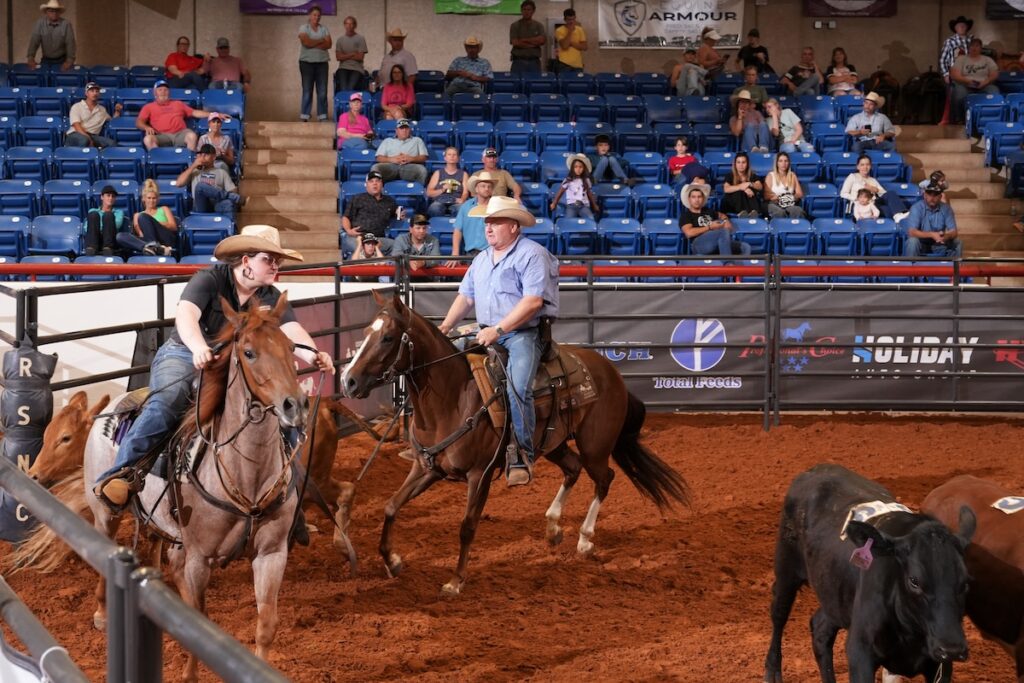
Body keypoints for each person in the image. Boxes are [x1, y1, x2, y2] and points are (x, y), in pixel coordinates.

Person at [93, 225, 335, 508]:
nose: (275, 266)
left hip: (230, 363)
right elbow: (186, 315)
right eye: (268, 259)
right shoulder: (209, 279)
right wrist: (198, 347)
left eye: (277, 260)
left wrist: (312, 354)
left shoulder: (268, 295)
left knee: (278, 411)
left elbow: (291, 328)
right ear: (246, 262)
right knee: (169, 400)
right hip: (183, 353)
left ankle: (286, 490)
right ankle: (122, 473)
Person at [438, 196, 559, 487]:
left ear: (514, 227)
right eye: (487, 222)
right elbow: (466, 297)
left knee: (518, 388)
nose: (488, 228)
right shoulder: (481, 258)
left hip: (522, 334)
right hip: (484, 330)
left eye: (495, 222)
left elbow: (532, 303)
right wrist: (445, 326)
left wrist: (499, 329)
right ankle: (436, 438)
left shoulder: (533, 255)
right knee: (440, 364)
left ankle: (522, 453)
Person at [136, 80, 219, 151]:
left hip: (180, 133)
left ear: (169, 92)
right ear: (155, 93)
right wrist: (146, 127)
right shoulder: (148, 107)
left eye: (166, 90)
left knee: (192, 136)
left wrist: (214, 114)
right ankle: (160, 161)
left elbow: (194, 112)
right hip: (161, 135)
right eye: (160, 90)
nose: (163, 92)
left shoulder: (178, 104)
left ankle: (190, 163)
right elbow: (139, 122)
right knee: (147, 139)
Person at [680, 183, 751, 257]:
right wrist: (709, 227)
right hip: (699, 244)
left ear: (703, 199)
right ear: (689, 199)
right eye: (693, 197)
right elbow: (689, 233)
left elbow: (721, 215)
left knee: (745, 247)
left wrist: (726, 220)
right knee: (723, 231)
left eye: (699, 197)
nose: (697, 200)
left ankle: (740, 267)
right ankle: (728, 264)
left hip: (716, 241)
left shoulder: (708, 211)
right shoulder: (686, 215)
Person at [177, 144, 244, 218]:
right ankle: (232, 197)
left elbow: (233, 191)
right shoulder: (195, 171)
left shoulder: (221, 172)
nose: (203, 157)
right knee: (200, 186)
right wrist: (193, 166)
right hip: (201, 204)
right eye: (201, 154)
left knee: (228, 203)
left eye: (206, 155)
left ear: (214, 157)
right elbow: (178, 183)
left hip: (217, 203)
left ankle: (231, 228)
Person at [341, 170, 397, 256]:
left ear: (382, 184)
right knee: (360, 248)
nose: (375, 184)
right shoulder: (357, 198)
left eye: (377, 181)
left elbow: (396, 215)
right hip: (358, 237)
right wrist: (349, 231)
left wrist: (400, 215)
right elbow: (346, 217)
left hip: (377, 239)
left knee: (397, 246)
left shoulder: (390, 201)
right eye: (371, 181)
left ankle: (386, 268)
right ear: (366, 185)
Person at [116, 179, 178, 256]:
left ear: (157, 199)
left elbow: (173, 227)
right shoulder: (137, 215)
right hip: (147, 241)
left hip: (165, 239)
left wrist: (153, 223)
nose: (151, 201)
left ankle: (153, 247)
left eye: (154, 198)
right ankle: (155, 249)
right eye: (149, 198)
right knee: (120, 236)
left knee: (143, 217)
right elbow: (141, 235)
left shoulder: (164, 209)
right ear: (143, 199)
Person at [839, 154, 909, 220]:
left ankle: (898, 215)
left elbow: (884, 194)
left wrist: (876, 190)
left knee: (891, 193)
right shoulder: (852, 176)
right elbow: (843, 193)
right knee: (887, 211)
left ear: (871, 166)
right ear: (858, 167)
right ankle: (898, 218)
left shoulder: (872, 180)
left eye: (867, 165)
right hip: (859, 204)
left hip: (873, 203)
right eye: (862, 165)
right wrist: (858, 198)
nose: (865, 167)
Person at [902, 182, 962, 258]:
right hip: (921, 243)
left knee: (957, 242)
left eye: (935, 195)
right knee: (912, 242)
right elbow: (912, 232)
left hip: (939, 243)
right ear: (925, 195)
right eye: (930, 194)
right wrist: (932, 235)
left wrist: (946, 236)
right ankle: (911, 268)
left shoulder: (946, 209)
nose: (932, 198)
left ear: (940, 196)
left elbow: (954, 232)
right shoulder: (916, 208)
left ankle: (954, 268)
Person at [950, 38, 1000, 125]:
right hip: (965, 85)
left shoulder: (987, 60)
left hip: (984, 85)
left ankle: (991, 119)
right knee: (959, 93)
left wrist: (985, 82)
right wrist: (968, 81)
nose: (974, 48)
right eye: (972, 45)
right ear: (968, 47)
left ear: (981, 48)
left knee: (994, 91)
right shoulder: (961, 59)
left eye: (977, 46)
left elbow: (995, 74)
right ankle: (960, 119)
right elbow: (955, 75)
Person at [452, 171, 495, 262]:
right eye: (483, 186)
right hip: (470, 254)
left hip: (492, 253)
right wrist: (455, 253)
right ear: (476, 189)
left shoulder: (497, 207)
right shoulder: (466, 206)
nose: (486, 189)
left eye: (489, 186)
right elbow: (458, 230)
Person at [298, 5, 331, 122]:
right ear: (309, 15)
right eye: (314, 15)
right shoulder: (304, 28)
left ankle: (322, 116)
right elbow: (306, 43)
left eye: (318, 15)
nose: (316, 17)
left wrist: (313, 42)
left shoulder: (324, 29)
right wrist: (321, 40)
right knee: (307, 90)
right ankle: (305, 116)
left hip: (322, 63)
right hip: (306, 63)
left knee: (322, 91)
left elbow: (329, 44)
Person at [371, 119, 429, 185]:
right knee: (375, 168)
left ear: (410, 130)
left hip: (410, 166)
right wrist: (391, 159)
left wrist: (411, 159)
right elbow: (379, 157)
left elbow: (424, 157)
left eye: (406, 128)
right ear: (396, 130)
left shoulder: (417, 140)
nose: (404, 130)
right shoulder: (387, 141)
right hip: (391, 166)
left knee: (422, 170)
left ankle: (419, 192)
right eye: (401, 128)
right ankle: (378, 193)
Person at [65, 82, 121, 148]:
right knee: (84, 140)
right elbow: (77, 126)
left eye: (97, 91)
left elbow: (112, 120)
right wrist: (89, 139)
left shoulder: (102, 109)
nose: (95, 93)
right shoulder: (77, 106)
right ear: (86, 93)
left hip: (93, 136)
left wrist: (117, 111)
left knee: (112, 143)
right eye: (92, 91)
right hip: (76, 134)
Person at [26, 0, 75, 71]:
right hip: (46, 60)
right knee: (44, 79)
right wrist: (30, 58)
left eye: (56, 11)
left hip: (62, 60)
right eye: (51, 11)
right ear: (46, 12)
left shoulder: (66, 24)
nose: (54, 13)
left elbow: (70, 43)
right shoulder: (40, 24)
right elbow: (34, 41)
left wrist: (69, 61)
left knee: (61, 80)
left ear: (59, 12)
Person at [551, 154, 598, 219]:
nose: (578, 169)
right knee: (569, 221)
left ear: (584, 168)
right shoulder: (568, 180)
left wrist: (594, 205)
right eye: (575, 167)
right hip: (571, 206)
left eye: (580, 167)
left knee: (591, 219)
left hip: (583, 206)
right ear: (572, 168)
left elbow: (589, 193)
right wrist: (554, 203)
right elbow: (561, 191)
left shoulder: (586, 180)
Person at [426, 147, 469, 217]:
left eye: (454, 155)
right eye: (449, 154)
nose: (452, 156)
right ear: (445, 158)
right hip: (439, 201)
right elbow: (429, 193)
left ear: (458, 158)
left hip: (456, 201)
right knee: (434, 208)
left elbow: (465, 192)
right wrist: (442, 189)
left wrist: (462, 199)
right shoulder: (438, 173)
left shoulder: (464, 174)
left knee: (461, 209)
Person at [83, 185, 125, 256]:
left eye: (113, 196)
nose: (110, 198)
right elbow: (86, 227)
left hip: (110, 240)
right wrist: (102, 227)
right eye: (108, 195)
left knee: (108, 215)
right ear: (102, 197)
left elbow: (117, 225)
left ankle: (108, 249)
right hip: (95, 239)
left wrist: (98, 226)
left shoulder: (119, 212)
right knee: (93, 214)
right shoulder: (93, 211)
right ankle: (91, 249)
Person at [763, 152, 806, 219]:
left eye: (786, 161)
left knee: (798, 211)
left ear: (789, 163)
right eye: (781, 161)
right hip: (774, 203)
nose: (783, 164)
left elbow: (799, 194)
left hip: (789, 203)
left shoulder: (792, 175)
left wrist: (791, 197)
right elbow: (766, 195)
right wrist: (776, 197)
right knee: (780, 212)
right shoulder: (771, 175)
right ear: (777, 163)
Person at [509, 0, 546, 75]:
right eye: (524, 9)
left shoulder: (539, 25)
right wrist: (534, 43)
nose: (526, 12)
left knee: (534, 84)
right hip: (518, 61)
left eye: (529, 9)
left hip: (534, 62)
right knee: (516, 84)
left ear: (533, 11)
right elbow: (515, 43)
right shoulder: (515, 25)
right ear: (521, 10)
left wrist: (523, 40)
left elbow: (542, 41)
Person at [721, 152, 763, 217]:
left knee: (752, 191)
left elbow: (759, 186)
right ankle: (741, 213)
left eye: (743, 162)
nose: (741, 165)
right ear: (735, 164)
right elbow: (726, 189)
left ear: (747, 164)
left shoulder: (752, 175)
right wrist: (742, 187)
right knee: (739, 192)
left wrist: (749, 184)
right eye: (738, 162)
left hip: (748, 203)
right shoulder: (730, 176)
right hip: (733, 206)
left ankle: (753, 213)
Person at [334, 16, 367, 94]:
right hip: (343, 67)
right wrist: (352, 54)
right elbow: (338, 57)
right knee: (343, 88)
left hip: (357, 68)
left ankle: (351, 105)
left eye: (351, 24)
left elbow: (360, 57)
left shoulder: (360, 38)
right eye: (347, 24)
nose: (349, 26)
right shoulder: (340, 40)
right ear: (344, 25)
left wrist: (344, 56)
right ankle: (344, 105)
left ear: (355, 25)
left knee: (350, 88)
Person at [940, 15, 974, 86]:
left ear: (967, 27)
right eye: (959, 26)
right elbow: (943, 59)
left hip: (971, 74)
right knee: (960, 92)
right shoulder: (949, 41)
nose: (961, 27)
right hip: (956, 75)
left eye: (963, 25)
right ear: (955, 28)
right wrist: (946, 75)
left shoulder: (972, 41)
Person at [553, 8, 587, 73]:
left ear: (575, 18)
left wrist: (571, 43)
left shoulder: (580, 30)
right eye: (569, 20)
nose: (571, 22)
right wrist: (570, 31)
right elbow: (565, 46)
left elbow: (585, 47)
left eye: (573, 19)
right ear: (565, 20)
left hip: (577, 65)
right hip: (564, 65)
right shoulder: (559, 30)